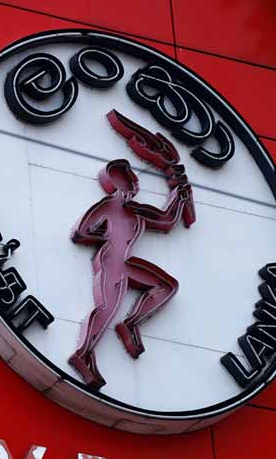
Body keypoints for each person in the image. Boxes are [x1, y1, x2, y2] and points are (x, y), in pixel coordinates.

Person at [68, 110, 196, 389]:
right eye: (125, 180)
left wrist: (178, 196)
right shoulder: (110, 205)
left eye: (131, 180)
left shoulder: (133, 209)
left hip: (125, 262)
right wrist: (104, 237)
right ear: (115, 183)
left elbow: (166, 219)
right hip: (112, 261)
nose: (131, 185)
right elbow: (82, 231)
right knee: (106, 309)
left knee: (166, 285)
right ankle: (83, 355)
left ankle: (131, 323)